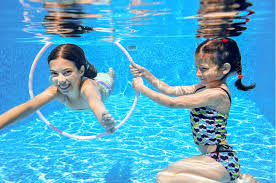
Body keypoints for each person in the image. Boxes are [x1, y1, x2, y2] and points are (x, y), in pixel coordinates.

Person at [130, 37, 259, 182]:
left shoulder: (216, 94)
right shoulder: (203, 87)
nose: (198, 73)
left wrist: (142, 89)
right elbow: (170, 90)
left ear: (224, 69)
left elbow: (172, 103)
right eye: (196, 67)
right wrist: (146, 74)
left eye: (203, 69)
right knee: (163, 176)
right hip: (210, 158)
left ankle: (237, 181)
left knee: (166, 180)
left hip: (222, 161)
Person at [0, 44, 116, 133]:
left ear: (81, 71)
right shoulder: (56, 90)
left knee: (109, 77)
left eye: (67, 72)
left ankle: (110, 73)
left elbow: (95, 103)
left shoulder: (88, 87)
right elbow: (28, 107)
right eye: (54, 73)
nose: (60, 80)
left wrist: (103, 119)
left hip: (103, 84)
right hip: (82, 81)